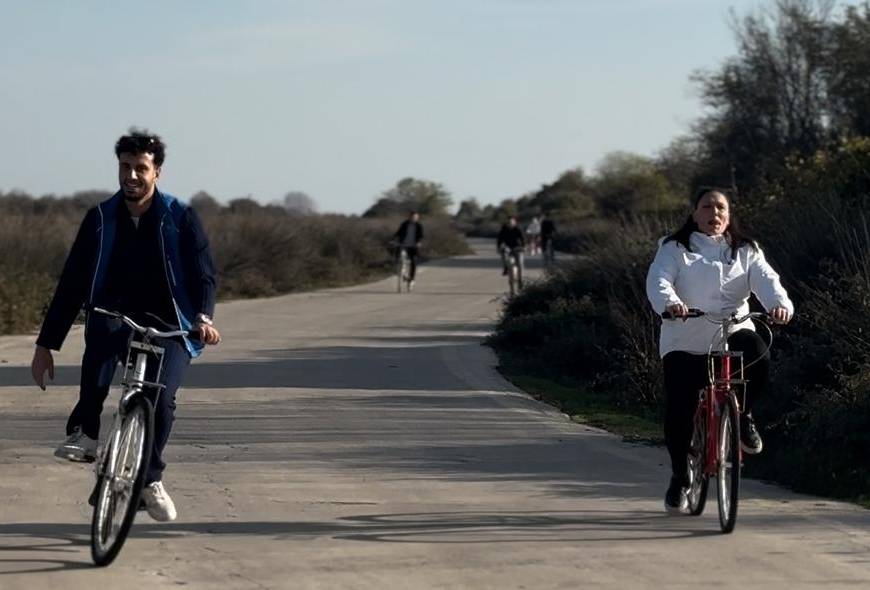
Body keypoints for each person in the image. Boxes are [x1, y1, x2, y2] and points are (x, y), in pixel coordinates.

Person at [30, 129, 221, 522]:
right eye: (125, 167)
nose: (132, 176)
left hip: (171, 320)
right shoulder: (99, 219)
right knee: (101, 338)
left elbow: (205, 276)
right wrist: (46, 344)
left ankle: (150, 477)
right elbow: (72, 283)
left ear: (157, 172)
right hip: (114, 311)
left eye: (141, 168)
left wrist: (203, 318)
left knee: (162, 398)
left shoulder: (180, 217)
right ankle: (86, 431)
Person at [645, 188, 793, 514]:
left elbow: (767, 280)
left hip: (733, 329)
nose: (715, 213)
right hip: (686, 337)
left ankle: (743, 415)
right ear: (695, 213)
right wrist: (670, 303)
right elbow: (659, 280)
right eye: (707, 206)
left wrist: (778, 305)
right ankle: (681, 476)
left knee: (758, 351)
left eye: (721, 207)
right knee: (680, 407)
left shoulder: (745, 250)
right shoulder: (674, 249)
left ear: (729, 214)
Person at [393, 211, 424, 289]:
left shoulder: (419, 226)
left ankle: (412, 279)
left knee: (413, 261)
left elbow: (421, 236)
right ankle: (403, 273)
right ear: (409, 217)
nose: (413, 218)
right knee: (400, 258)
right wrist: (394, 239)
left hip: (413, 246)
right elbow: (398, 233)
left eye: (415, 217)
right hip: (404, 245)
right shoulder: (404, 224)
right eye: (412, 217)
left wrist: (418, 243)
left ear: (417, 218)